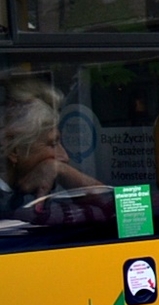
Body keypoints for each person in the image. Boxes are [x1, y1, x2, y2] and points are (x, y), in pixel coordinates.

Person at [0, 78, 109, 231]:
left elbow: (127, 212)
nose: (64, 156)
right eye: (52, 144)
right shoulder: (14, 206)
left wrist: (62, 170)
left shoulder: (34, 193)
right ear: (14, 151)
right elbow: (121, 213)